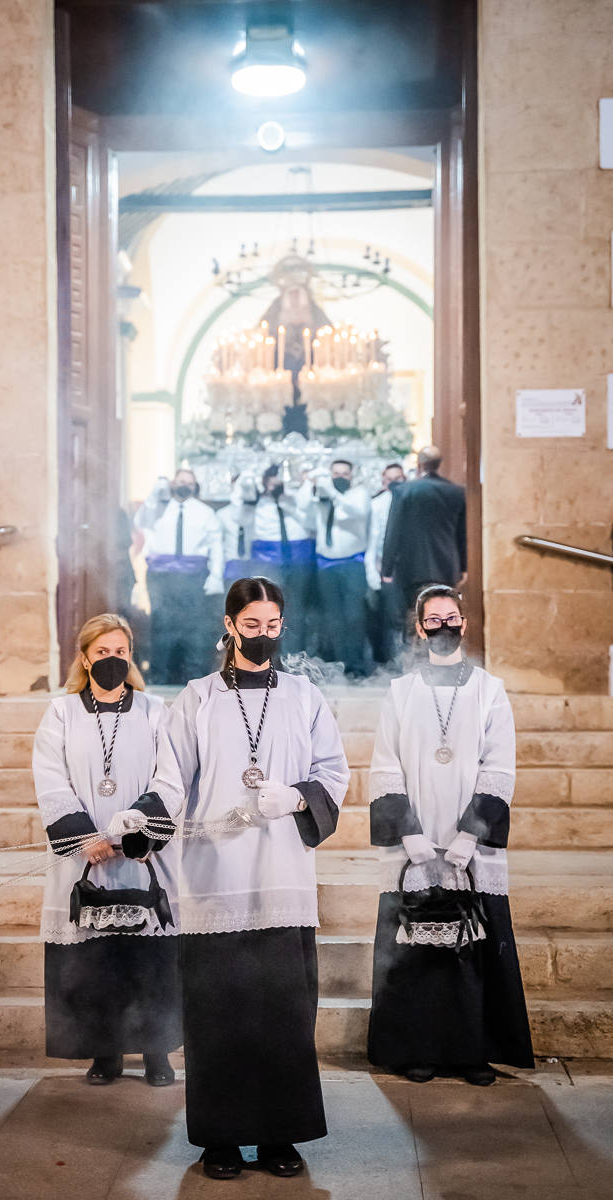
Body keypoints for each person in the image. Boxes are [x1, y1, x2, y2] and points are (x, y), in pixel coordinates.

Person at [165, 576, 350, 1180]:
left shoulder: (303, 696)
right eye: (252, 627)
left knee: (281, 1011)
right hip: (213, 876)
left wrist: (295, 797)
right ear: (228, 625)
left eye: (273, 627)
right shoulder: (196, 698)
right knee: (217, 1012)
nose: (264, 636)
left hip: (281, 877)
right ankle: (220, 1137)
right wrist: (145, 817)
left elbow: (334, 771)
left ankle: (279, 1136)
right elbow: (171, 779)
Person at [367, 584, 533, 1084]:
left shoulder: (490, 689)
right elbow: (384, 768)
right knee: (414, 949)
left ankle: (471, 1052)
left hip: (470, 844)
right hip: (413, 844)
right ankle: (417, 1049)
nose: (443, 626)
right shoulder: (400, 692)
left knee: (471, 947)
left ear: (465, 623)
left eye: (452, 617)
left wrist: (468, 838)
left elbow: (500, 767)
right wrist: (414, 840)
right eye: (433, 619)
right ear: (419, 627)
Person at [32, 613, 185, 1086]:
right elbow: (51, 779)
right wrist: (85, 837)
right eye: (103, 652)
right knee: (96, 960)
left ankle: (157, 1053)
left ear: (130, 655)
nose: (112, 660)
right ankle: (106, 1053)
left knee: (148, 959)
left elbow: (170, 776)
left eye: (120, 652)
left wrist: (138, 831)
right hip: (88, 856)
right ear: (84, 657)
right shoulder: (61, 712)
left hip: (143, 854)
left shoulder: (155, 710)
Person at [134, 469, 224, 683]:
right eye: (181, 481)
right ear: (173, 483)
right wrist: (154, 496)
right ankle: (160, 675)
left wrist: (216, 576)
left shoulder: (205, 513)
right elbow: (140, 521)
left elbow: (216, 546)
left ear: (195, 486)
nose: (185, 485)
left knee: (193, 627)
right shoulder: (157, 508)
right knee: (162, 625)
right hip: (161, 577)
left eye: (189, 482)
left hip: (193, 577)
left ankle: (194, 676)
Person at [381, 445, 467, 620]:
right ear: (439, 464)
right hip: (446, 567)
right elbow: (461, 534)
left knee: (413, 617)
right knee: (441, 617)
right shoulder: (456, 493)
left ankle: (414, 647)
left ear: (419, 465)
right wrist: (463, 566)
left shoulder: (403, 491)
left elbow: (393, 532)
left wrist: (387, 568)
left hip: (411, 568)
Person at [306, 459, 371, 675]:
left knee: (354, 617)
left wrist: (334, 494)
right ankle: (339, 664)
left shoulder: (358, 494)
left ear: (351, 476)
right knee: (332, 618)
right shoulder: (322, 496)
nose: (340, 477)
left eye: (344, 473)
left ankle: (357, 666)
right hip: (325, 565)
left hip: (352, 564)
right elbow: (308, 522)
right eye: (336, 473)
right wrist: (313, 489)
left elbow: (358, 514)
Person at [249, 466, 316, 654]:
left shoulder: (297, 500)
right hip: (267, 563)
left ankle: (294, 658)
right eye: (271, 478)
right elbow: (240, 517)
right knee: (265, 612)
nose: (275, 482)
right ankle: (266, 659)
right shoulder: (256, 503)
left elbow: (312, 524)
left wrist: (291, 506)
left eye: (279, 478)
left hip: (298, 561)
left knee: (295, 611)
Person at [365, 462, 406, 665]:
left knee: (407, 617)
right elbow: (372, 540)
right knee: (390, 618)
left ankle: (407, 660)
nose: (394, 483)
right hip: (385, 568)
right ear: (383, 482)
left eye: (398, 479)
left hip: (408, 567)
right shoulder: (376, 504)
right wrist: (373, 570)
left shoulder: (410, 501)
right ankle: (391, 662)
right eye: (390, 480)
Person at [218, 472, 258, 585]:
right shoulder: (222, 515)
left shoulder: (258, 513)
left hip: (255, 565)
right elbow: (218, 546)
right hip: (230, 567)